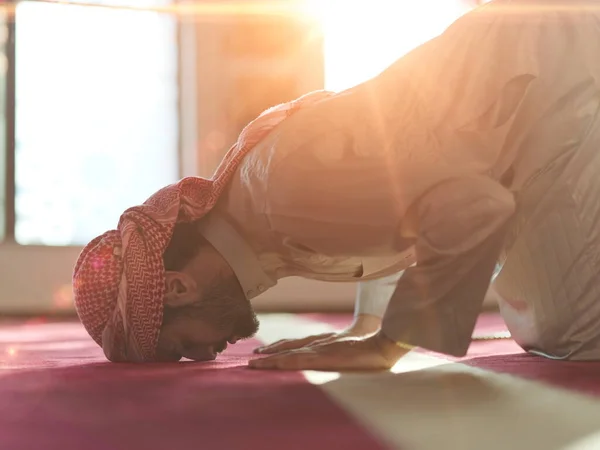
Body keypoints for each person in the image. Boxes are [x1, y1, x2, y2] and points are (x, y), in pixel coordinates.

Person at [73, 0, 600, 369]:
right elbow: (399, 206)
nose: (206, 356)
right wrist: (368, 323)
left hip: (558, 73)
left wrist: (388, 348)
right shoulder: (259, 214)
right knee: (545, 320)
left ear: (177, 288)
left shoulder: (286, 199)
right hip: (524, 109)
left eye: (178, 346)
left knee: (572, 335)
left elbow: (475, 208)